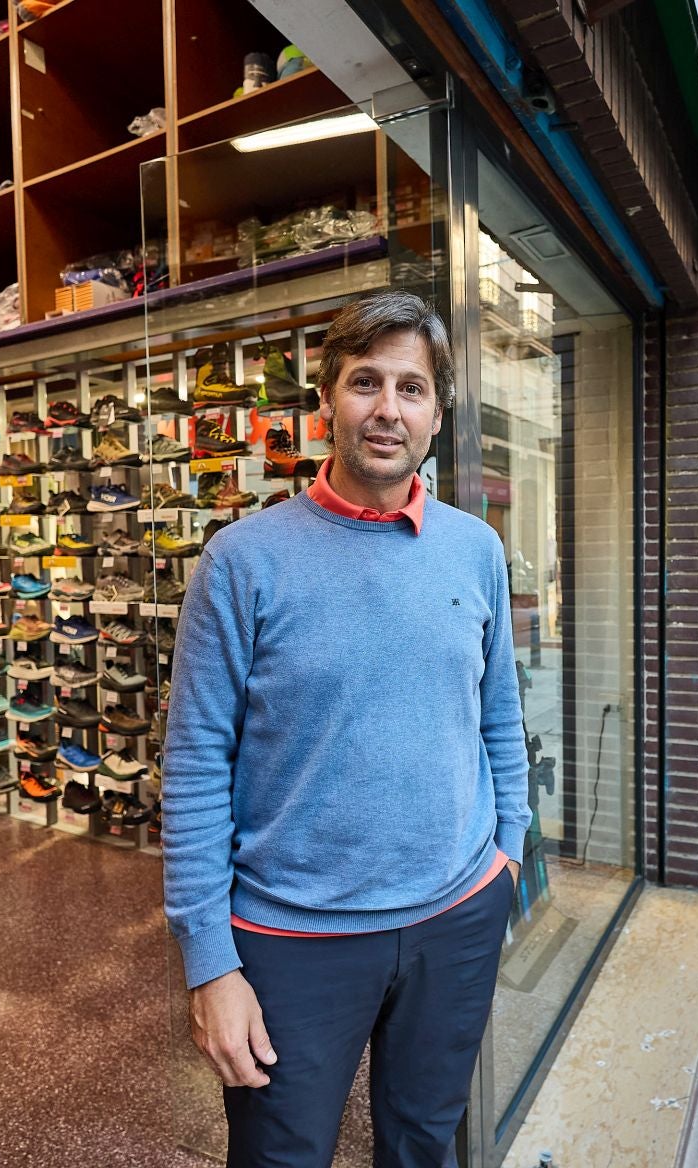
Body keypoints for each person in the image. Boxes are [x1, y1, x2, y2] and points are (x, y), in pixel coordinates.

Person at [164, 291, 531, 1168]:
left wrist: (506, 859)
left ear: (437, 416)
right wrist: (209, 963)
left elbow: (499, 718)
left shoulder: (474, 548)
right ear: (326, 400)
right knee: (280, 1157)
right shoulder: (241, 562)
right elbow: (194, 766)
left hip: (456, 916)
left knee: (423, 1145)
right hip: (294, 942)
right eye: (365, 382)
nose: (386, 408)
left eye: (411, 387)